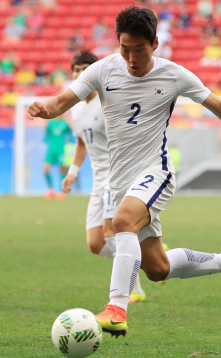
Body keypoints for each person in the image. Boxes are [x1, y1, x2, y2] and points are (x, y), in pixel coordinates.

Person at [27, 6, 221, 338]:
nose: (132, 58)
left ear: (155, 43)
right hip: (120, 182)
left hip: (156, 171)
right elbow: (61, 102)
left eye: (140, 49)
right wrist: (43, 108)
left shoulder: (174, 74)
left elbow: (220, 107)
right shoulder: (102, 70)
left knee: (121, 223)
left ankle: (116, 309)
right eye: (125, 49)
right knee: (157, 268)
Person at [61, 51, 149, 303]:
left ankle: (134, 289)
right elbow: (81, 141)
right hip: (97, 179)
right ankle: (144, 255)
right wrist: (73, 171)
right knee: (95, 243)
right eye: (75, 70)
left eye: (84, 69)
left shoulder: (108, 102)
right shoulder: (76, 109)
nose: (79, 74)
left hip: (116, 175)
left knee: (111, 233)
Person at [43, 116, 73, 200]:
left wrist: (71, 146)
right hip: (51, 149)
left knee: (62, 169)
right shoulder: (50, 123)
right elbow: (46, 135)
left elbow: (70, 135)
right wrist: (43, 145)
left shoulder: (65, 123)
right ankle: (51, 189)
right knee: (46, 169)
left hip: (61, 149)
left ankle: (60, 191)